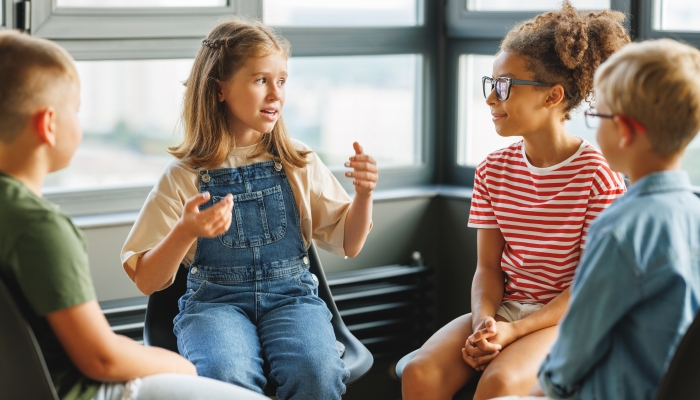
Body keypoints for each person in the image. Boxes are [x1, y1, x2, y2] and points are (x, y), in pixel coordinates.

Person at [0, 31, 267, 400]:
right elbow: (102, 360)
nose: (79, 121)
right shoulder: (38, 229)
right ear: (48, 124)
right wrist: (182, 368)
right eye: (75, 110)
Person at [120, 17, 377, 400]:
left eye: (282, 80)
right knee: (226, 377)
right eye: (261, 80)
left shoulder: (299, 161)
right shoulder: (182, 176)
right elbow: (146, 280)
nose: (276, 94)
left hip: (292, 299)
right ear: (220, 89)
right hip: (214, 306)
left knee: (317, 373)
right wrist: (186, 231)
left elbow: (350, 243)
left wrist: (364, 194)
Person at [401, 3, 629, 399]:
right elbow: (487, 268)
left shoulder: (598, 176)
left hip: (567, 320)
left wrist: (514, 331)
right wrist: (484, 325)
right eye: (490, 84)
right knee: (420, 372)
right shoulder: (492, 170)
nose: (491, 99)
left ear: (552, 96)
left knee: (499, 384)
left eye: (504, 86)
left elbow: (587, 287)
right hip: (505, 310)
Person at [500, 38, 700, 400]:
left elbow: (574, 349)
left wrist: (539, 392)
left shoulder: (619, 229)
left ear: (622, 130)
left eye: (598, 116)